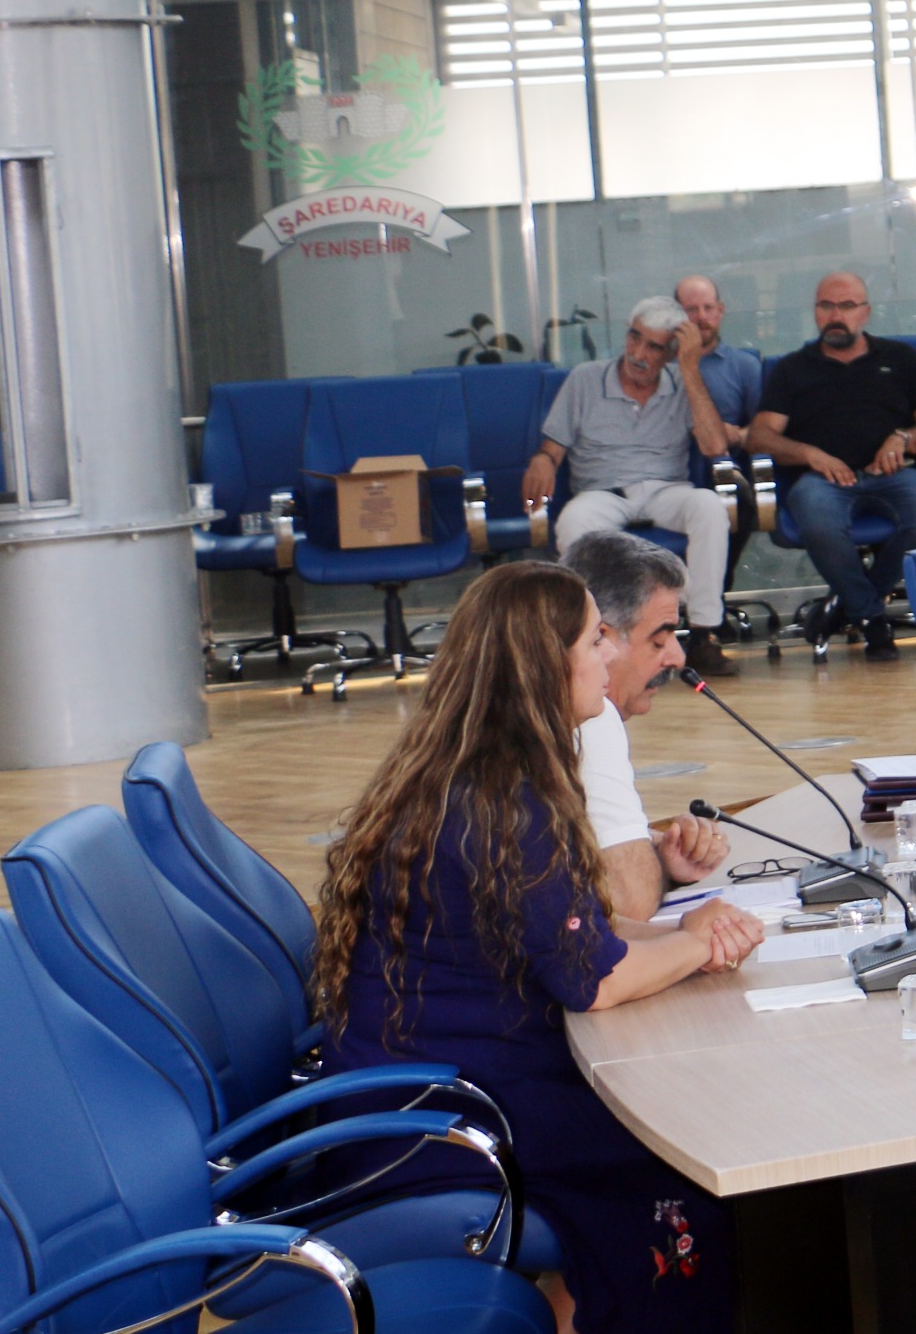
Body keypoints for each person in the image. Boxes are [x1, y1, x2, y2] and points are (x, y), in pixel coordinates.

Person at [315, 561, 765, 1334]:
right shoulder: (504, 803)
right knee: (690, 1165)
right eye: (595, 640)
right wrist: (697, 942)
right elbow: (594, 981)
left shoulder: (480, 771)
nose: (607, 655)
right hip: (448, 1115)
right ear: (547, 662)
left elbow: (581, 928)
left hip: (440, 1078)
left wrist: (687, 934)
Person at [526, 295, 739, 677]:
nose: (638, 353)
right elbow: (551, 448)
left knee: (709, 506)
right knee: (573, 523)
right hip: (602, 491)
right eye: (634, 338)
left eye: (654, 347)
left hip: (666, 488)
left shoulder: (684, 382)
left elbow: (714, 446)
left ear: (672, 353)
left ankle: (705, 633)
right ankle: (596, 635)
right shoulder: (586, 378)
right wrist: (542, 461)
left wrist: (689, 370)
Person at [746, 271, 916, 661]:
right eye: (826, 306)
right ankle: (872, 618)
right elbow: (761, 436)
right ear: (816, 312)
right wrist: (810, 454)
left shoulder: (900, 358)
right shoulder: (793, 368)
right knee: (818, 520)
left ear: (866, 313)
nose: (836, 315)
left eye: (847, 306)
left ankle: (850, 604)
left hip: (893, 474)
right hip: (822, 481)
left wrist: (905, 437)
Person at [561, 530, 729, 920]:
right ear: (601, 638)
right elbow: (629, 903)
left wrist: (657, 857)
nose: (676, 657)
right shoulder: (592, 719)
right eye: (659, 639)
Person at [675, 274, 764, 587]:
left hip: (723, 473)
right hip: (665, 471)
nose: (701, 317)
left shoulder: (744, 366)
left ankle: (715, 593)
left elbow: (766, 427)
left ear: (721, 310)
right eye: (690, 310)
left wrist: (738, 434)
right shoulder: (660, 367)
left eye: (707, 307)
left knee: (738, 497)